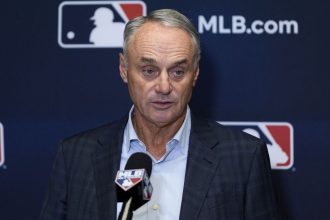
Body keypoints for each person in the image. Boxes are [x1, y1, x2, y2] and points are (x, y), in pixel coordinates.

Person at [40, 9, 279, 220]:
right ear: (124, 69)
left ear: (195, 74)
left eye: (177, 72)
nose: (164, 87)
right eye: (149, 70)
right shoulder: (75, 156)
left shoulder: (243, 158)